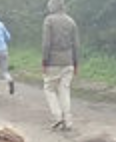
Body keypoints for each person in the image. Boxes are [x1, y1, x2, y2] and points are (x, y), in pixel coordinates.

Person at [41, 0, 79, 130]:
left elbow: (46, 43)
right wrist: (76, 62)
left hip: (53, 61)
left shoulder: (49, 20)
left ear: (52, 6)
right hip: (68, 61)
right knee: (65, 90)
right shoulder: (71, 21)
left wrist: (44, 61)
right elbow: (76, 44)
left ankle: (57, 116)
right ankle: (68, 120)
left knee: (49, 89)